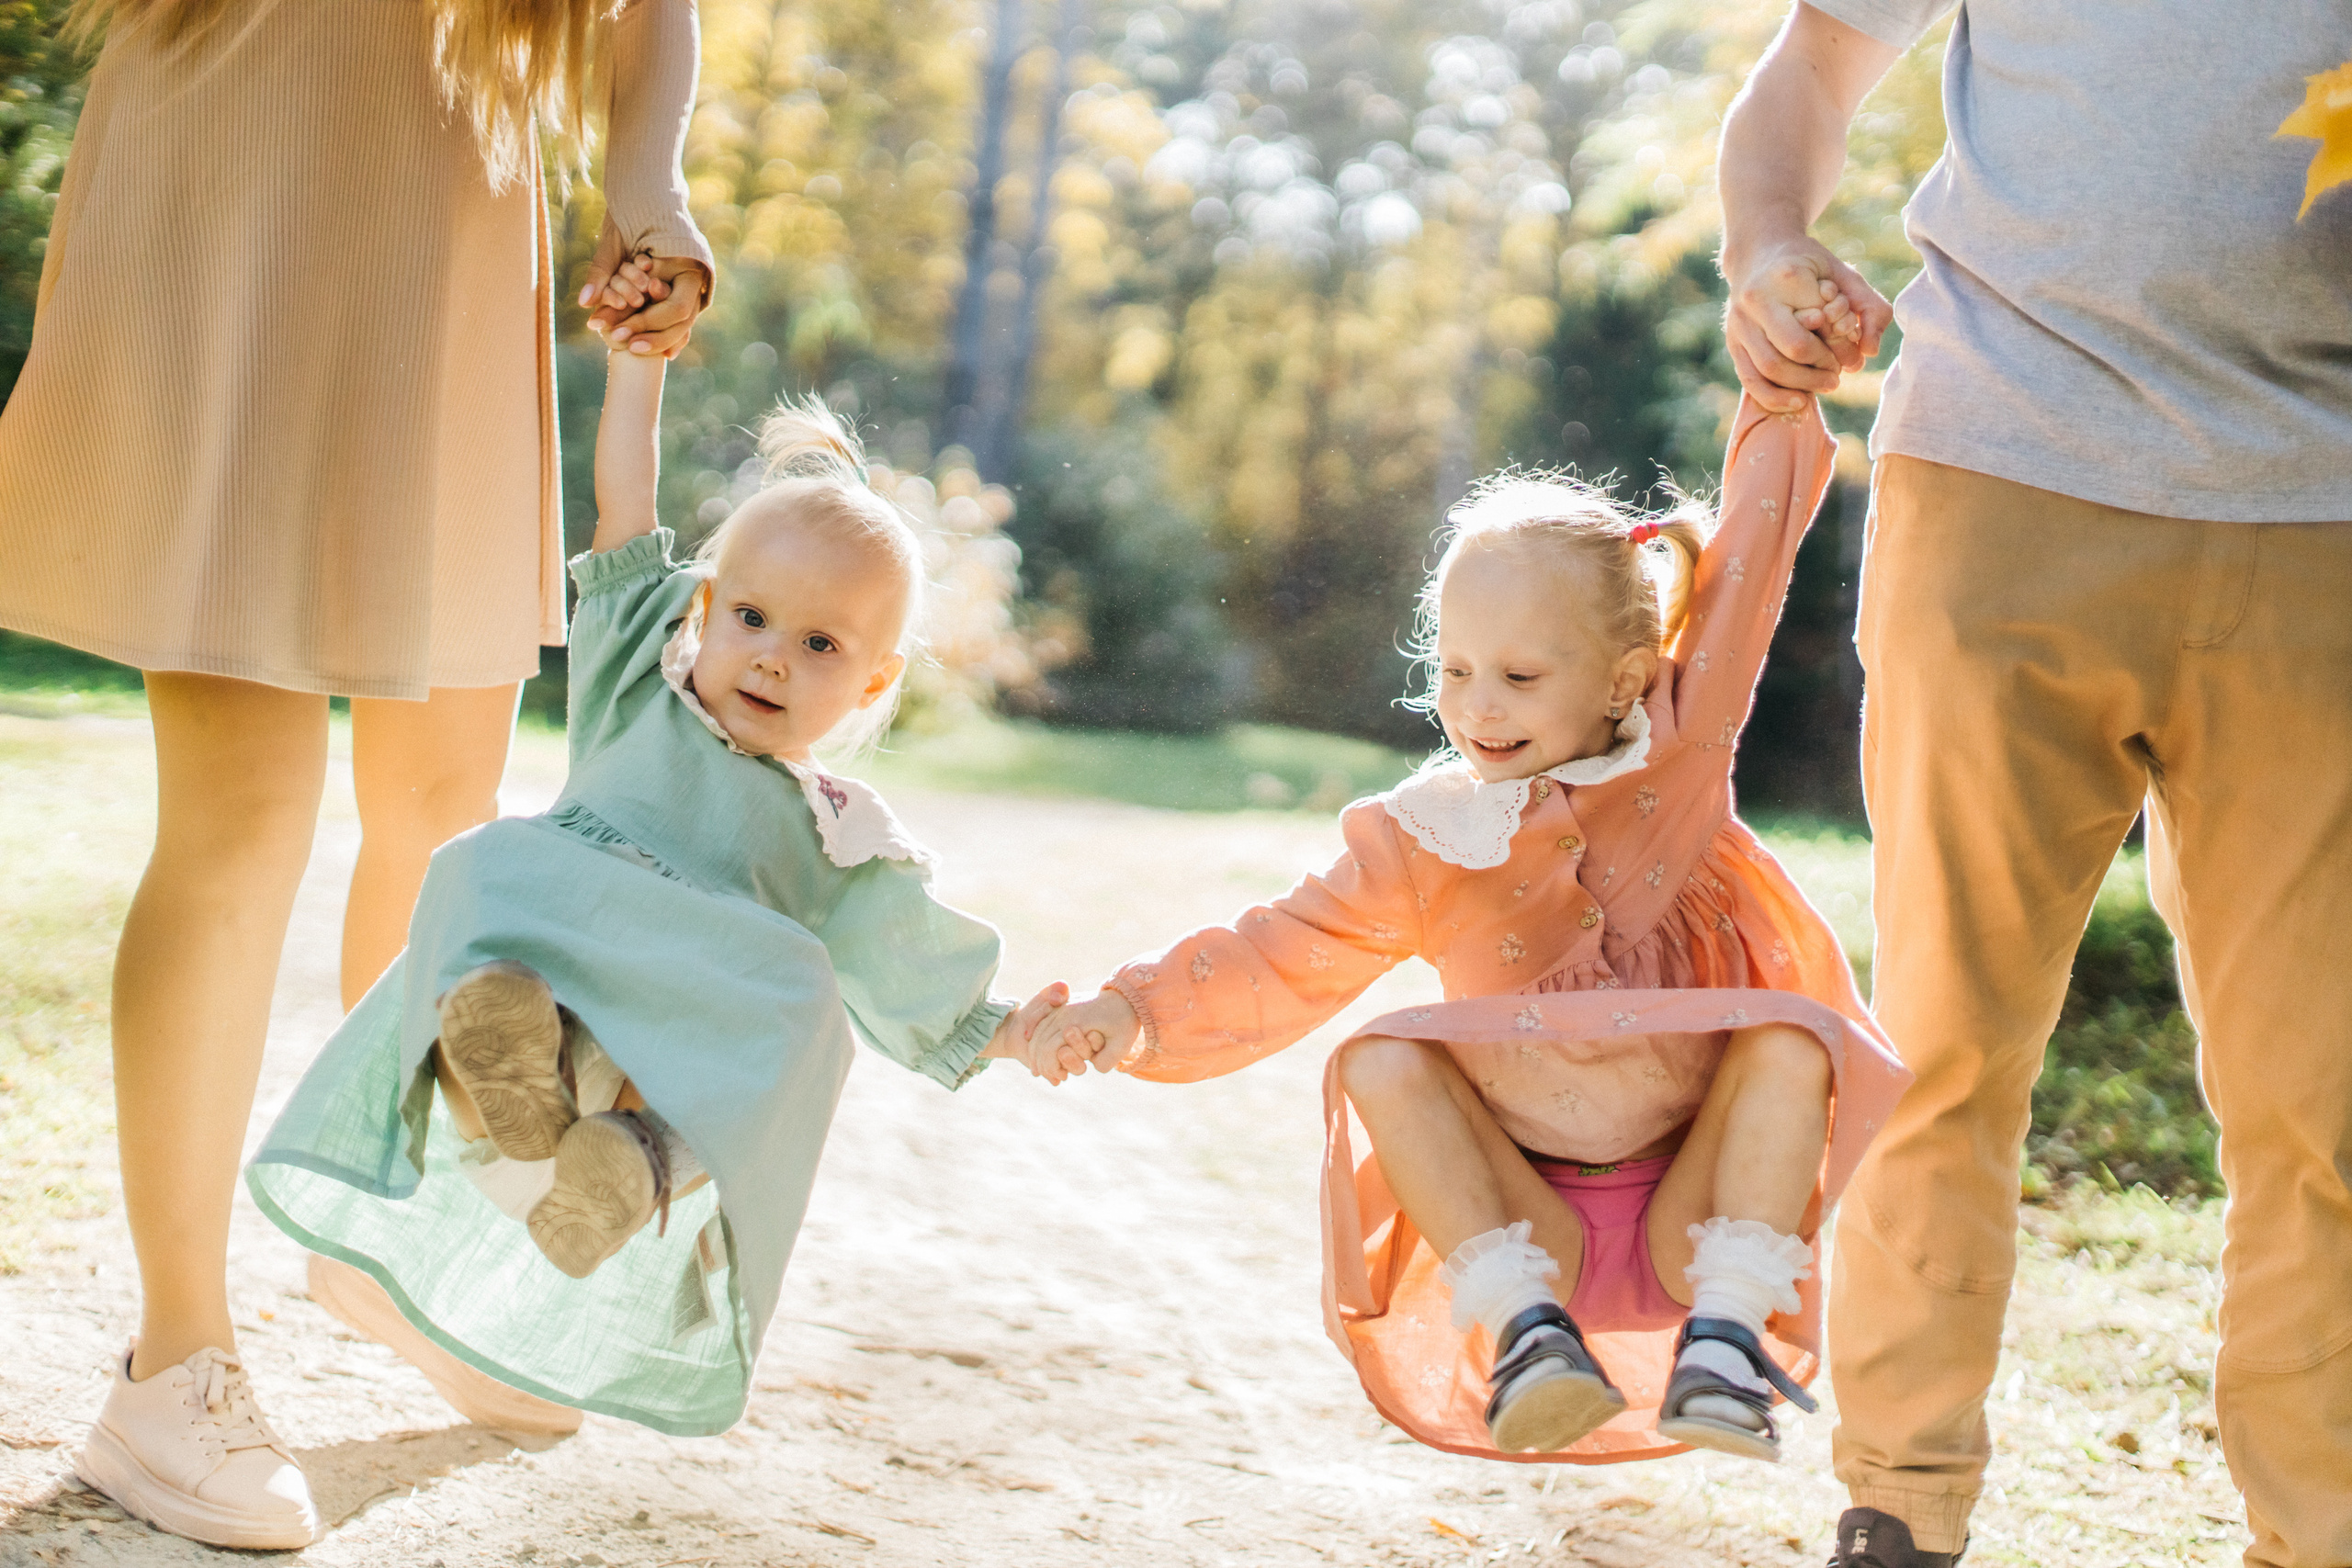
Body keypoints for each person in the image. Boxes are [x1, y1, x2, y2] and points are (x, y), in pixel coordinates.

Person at [0, 0, 715, 1546]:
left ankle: (380, 1246)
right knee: (245, 806)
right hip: (236, 159)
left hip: (454, 198)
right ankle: (172, 1358)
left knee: (448, 805)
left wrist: (645, 189)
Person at [1715, 5, 2352, 1564]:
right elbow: (1809, 64)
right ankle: (1902, 1503)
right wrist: (1766, 249)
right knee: (1943, 1041)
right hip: (1999, 486)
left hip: (2323, 522)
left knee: (2324, 1099)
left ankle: (2320, 1528)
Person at [1039, 396, 1910, 1465]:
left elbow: (1752, 564)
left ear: (1625, 682)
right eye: (1455, 672)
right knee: (1383, 1057)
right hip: (1520, 1220)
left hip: (1706, 1209)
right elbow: (1281, 948)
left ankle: (1725, 1348)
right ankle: (1527, 1342)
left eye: (1520, 677)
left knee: (1788, 1037)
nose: (1479, 708)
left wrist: (1777, 392)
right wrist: (1129, 1010)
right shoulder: (1428, 837)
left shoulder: (1677, 753)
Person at [245, 349, 1067, 1446]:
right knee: (483, 862)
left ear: (873, 682)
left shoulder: (836, 835)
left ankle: (631, 1172)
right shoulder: (642, 680)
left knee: (806, 1005)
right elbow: (622, 507)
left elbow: (921, 980)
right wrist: (639, 370)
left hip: (650, 1066)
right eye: (755, 620)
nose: (773, 660)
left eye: (820, 645)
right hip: (562, 977)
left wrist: (1022, 1034)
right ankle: (504, 1070)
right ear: (707, 610)